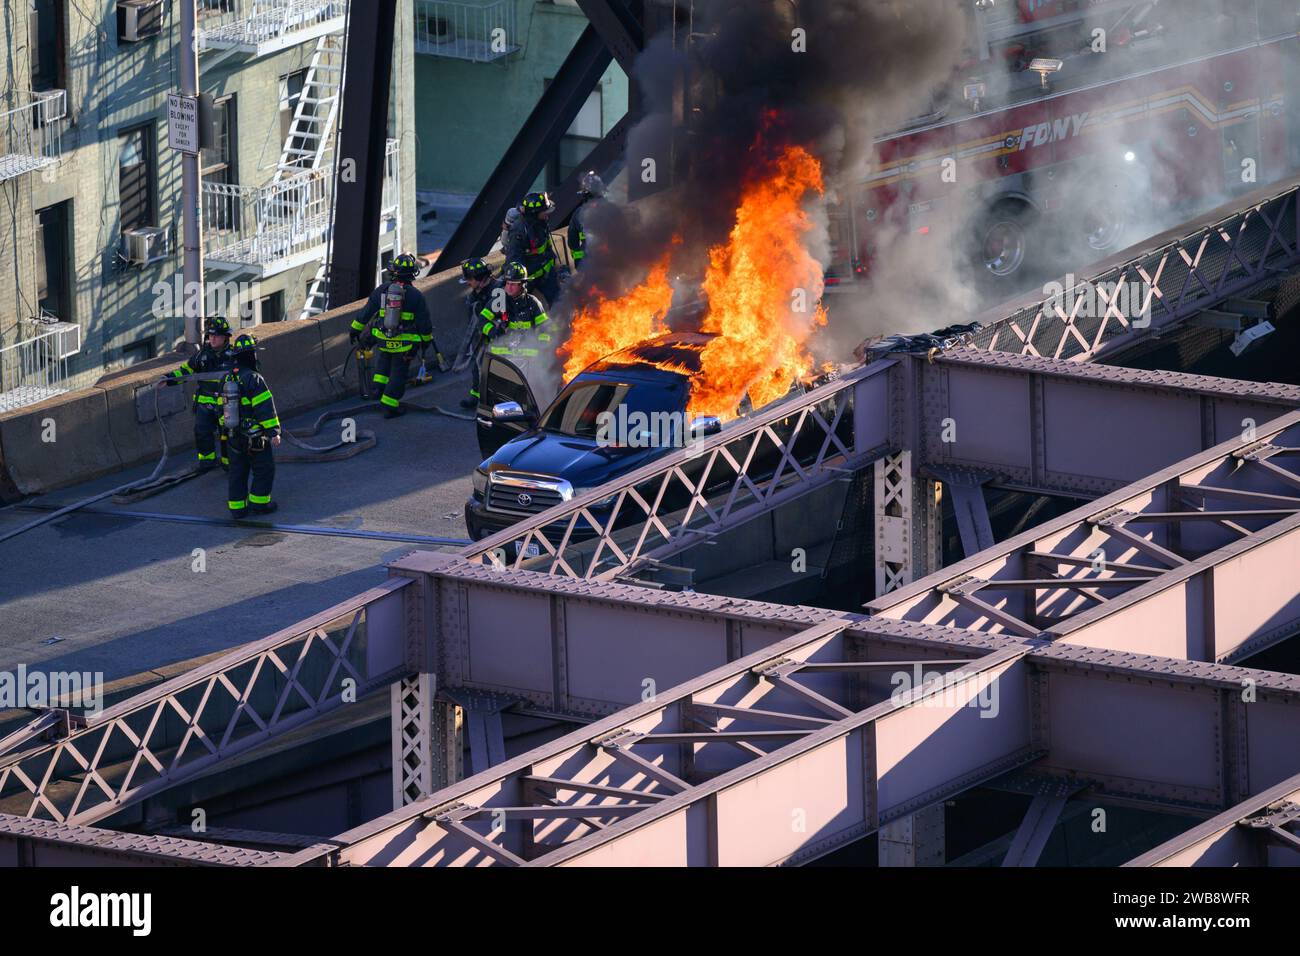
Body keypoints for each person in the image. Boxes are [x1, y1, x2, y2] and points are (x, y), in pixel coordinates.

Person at [350, 252, 446, 418]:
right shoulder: (416, 296)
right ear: (412, 274)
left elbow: (365, 313)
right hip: (405, 345)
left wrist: (354, 330)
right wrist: (425, 341)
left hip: (382, 339)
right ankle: (389, 405)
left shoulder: (381, 290)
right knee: (399, 373)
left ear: (393, 272)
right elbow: (424, 323)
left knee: (384, 361)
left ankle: (378, 389)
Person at [157, 316, 237, 471]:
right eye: (210, 336)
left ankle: (230, 465)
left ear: (226, 337)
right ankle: (207, 462)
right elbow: (186, 371)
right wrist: (168, 379)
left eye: (216, 336)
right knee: (202, 433)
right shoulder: (202, 356)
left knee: (228, 435)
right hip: (205, 404)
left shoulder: (235, 356)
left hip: (227, 405)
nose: (212, 339)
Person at [222, 334, 281, 518]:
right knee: (264, 469)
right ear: (251, 355)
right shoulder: (254, 378)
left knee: (237, 472)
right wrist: (274, 432)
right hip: (255, 437)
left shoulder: (226, 378)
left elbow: (219, 409)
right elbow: (264, 407)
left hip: (233, 435)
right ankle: (259, 504)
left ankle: (237, 509)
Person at [477, 260, 551, 363]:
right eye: (507, 283)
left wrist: (543, 349)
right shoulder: (498, 301)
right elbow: (482, 321)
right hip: (502, 358)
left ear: (522, 285)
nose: (509, 288)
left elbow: (544, 328)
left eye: (513, 284)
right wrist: (494, 332)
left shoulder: (533, 303)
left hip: (528, 359)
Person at [454, 257, 499, 410]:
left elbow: (500, 320)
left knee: (493, 370)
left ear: (480, 278)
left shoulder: (498, 291)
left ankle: (491, 402)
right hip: (481, 338)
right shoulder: (475, 293)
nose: (467, 283)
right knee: (477, 367)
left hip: (496, 338)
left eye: (470, 279)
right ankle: (476, 396)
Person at [505, 191, 561, 306]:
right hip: (527, 279)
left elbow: (547, 246)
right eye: (544, 211)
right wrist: (520, 281)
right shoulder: (519, 230)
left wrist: (557, 268)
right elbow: (514, 258)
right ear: (534, 213)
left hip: (545, 275)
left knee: (559, 304)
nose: (547, 214)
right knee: (519, 308)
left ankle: (563, 324)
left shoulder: (541, 223)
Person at [568, 171, 606, 270]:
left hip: (587, 266)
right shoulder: (611, 210)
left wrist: (579, 263)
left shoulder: (578, 213)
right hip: (608, 265)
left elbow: (572, 242)